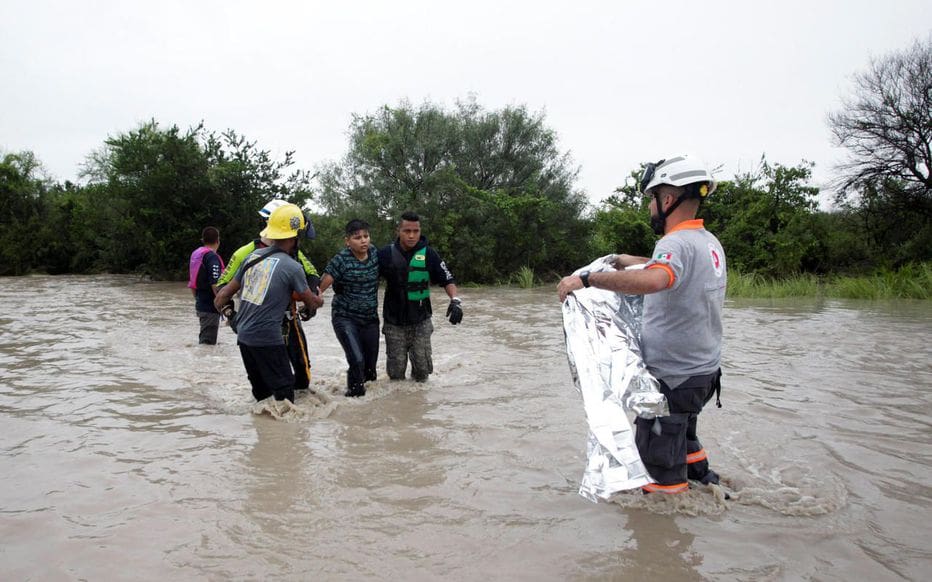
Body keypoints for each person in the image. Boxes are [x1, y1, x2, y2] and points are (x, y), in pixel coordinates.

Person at [557, 154, 726, 494]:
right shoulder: (707, 242)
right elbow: (662, 269)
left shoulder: (675, 243)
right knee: (684, 437)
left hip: (672, 380)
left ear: (667, 199)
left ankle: (664, 533)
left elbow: (656, 280)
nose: (650, 206)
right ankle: (705, 483)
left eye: (652, 198)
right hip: (701, 376)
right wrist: (623, 262)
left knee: (659, 483)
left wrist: (588, 280)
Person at [214, 204, 324, 404]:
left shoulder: (250, 257)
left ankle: (265, 434)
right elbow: (311, 302)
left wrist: (232, 316)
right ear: (296, 235)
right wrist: (320, 300)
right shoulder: (293, 266)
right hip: (269, 338)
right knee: (285, 399)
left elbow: (220, 297)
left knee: (263, 397)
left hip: (245, 337)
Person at [377, 211, 462, 382]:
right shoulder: (385, 254)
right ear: (398, 231)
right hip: (394, 323)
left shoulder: (429, 254)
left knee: (423, 373)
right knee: (396, 375)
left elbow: (448, 279)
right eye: (407, 231)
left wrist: (455, 301)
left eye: (415, 231)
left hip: (421, 321)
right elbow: (367, 279)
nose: (411, 235)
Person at [319, 219, 380, 397]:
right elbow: (321, 286)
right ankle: (353, 400)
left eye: (366, 236)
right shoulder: (340, 260)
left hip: (370, 319)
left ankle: (368, 409)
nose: (363, 241)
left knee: (370, 370)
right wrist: (310, 305)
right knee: (357, 360)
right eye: (357, 238)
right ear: (347, 241)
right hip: (345, 318)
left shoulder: (375, 253)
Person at [188, 226, 225, 345]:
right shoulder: (212, 257)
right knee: (208, 345)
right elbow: (215, 284)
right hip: (210, 307)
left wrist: (198, 300)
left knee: (205, 342)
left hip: (200, 303)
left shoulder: (197, 254)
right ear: (218, 240)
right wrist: (223, 304)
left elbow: (193, 281)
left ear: (203, 240)